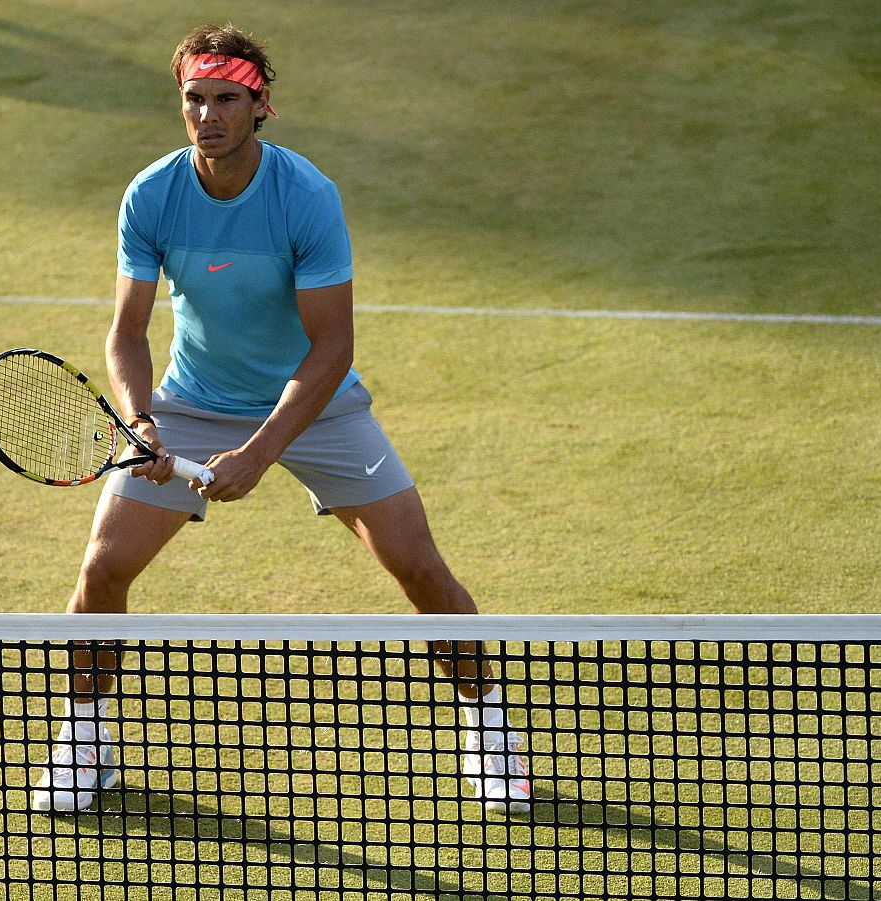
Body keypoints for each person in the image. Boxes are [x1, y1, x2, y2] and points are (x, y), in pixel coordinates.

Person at [32, 22, 531, 816]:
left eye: (226, 99)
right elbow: (127, 332)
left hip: (317, 402)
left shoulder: (306, 196)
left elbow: (332, 346)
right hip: (192, 401)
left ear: (259, 104)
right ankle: (84, 740)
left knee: (417, 563)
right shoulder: (152, 193)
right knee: (103, 567)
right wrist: (144, 423)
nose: (208, 116)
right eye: (194, 99)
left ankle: (490, 728)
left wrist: (259, 454)